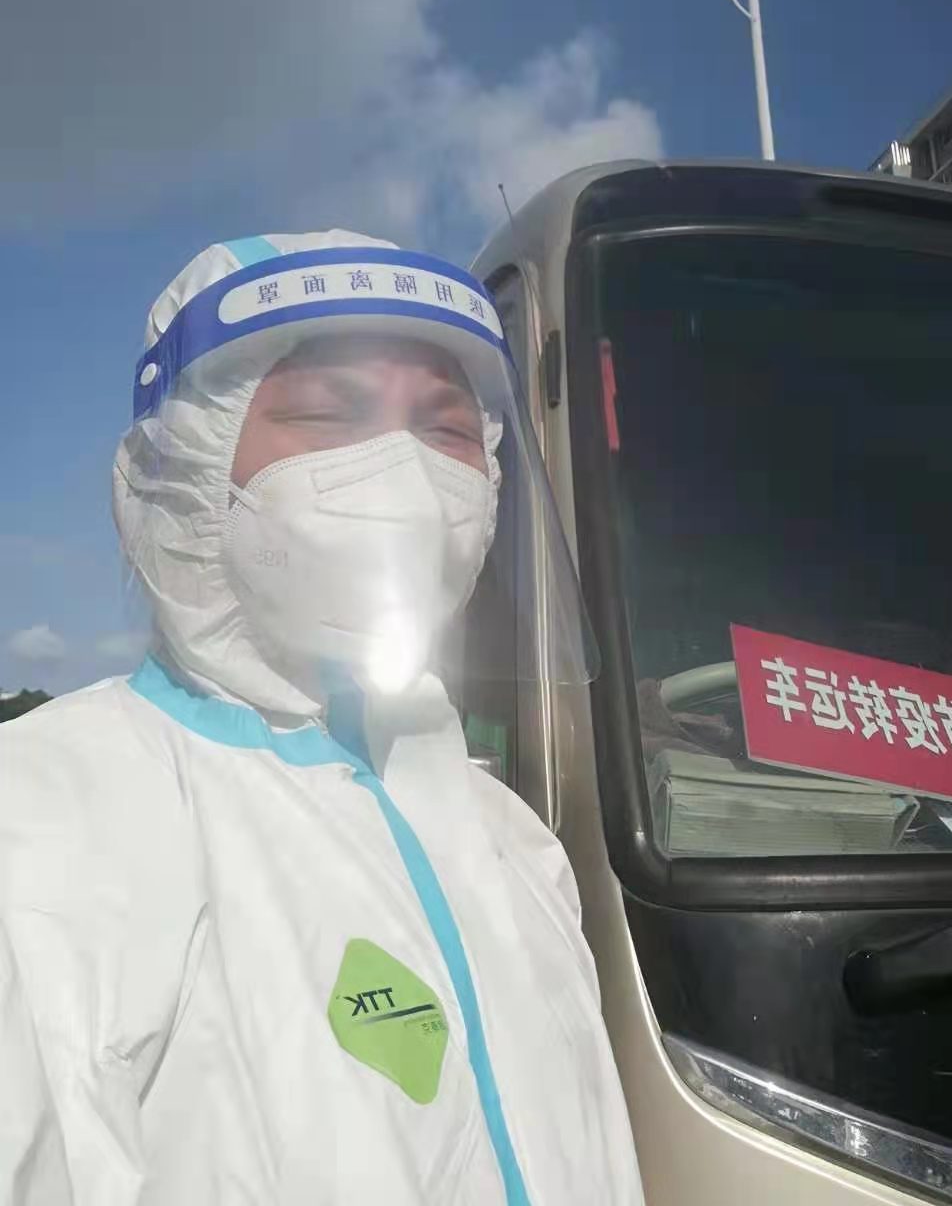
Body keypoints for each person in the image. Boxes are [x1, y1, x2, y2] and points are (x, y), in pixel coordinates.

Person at [0, 230, 645, 1205]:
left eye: (446, 430)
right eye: (329, 414)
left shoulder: (514, 844)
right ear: (185, 472)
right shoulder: (50, 819)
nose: (404, 478)